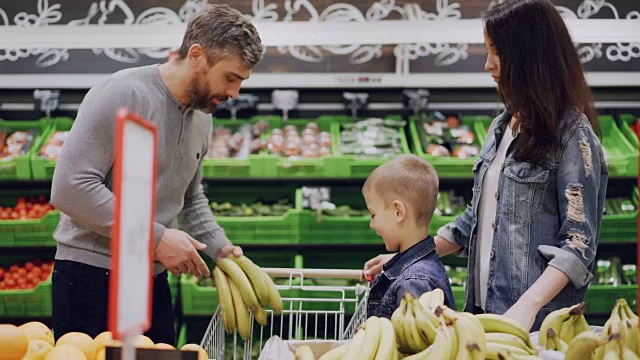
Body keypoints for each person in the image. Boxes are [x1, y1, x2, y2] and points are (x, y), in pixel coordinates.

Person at [364, 0, 607, 331]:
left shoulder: (572, 137)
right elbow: (474, 223)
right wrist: (407, 257)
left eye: (497, 53)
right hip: (481, 312)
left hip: (536, 324)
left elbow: (579, 246)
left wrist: (527, 306)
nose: (488, 65)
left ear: (529, 58)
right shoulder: (501, 128)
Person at [49, 4, 263, 344]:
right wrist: (157, 238)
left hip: (153, 278)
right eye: (230, 77)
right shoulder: (123, 94)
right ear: (196, 55)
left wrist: (221, 249)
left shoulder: (202, 117)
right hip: (92, 275)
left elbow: (190, 199)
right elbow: (71, 188)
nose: (235, 93)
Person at [363, 154, 455, 319]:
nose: (372, 224)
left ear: (398, 212)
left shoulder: (413, 283)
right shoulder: (423, 267)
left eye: (373, 215)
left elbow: (412, 342)